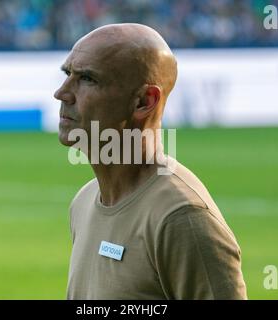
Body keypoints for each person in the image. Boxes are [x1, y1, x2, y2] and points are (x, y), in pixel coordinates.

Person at [54, 23, 247, 299]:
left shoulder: (183, 218)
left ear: (144, 101)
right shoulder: (84, 202)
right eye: (67, 73)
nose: (62, 92)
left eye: (87, 79)